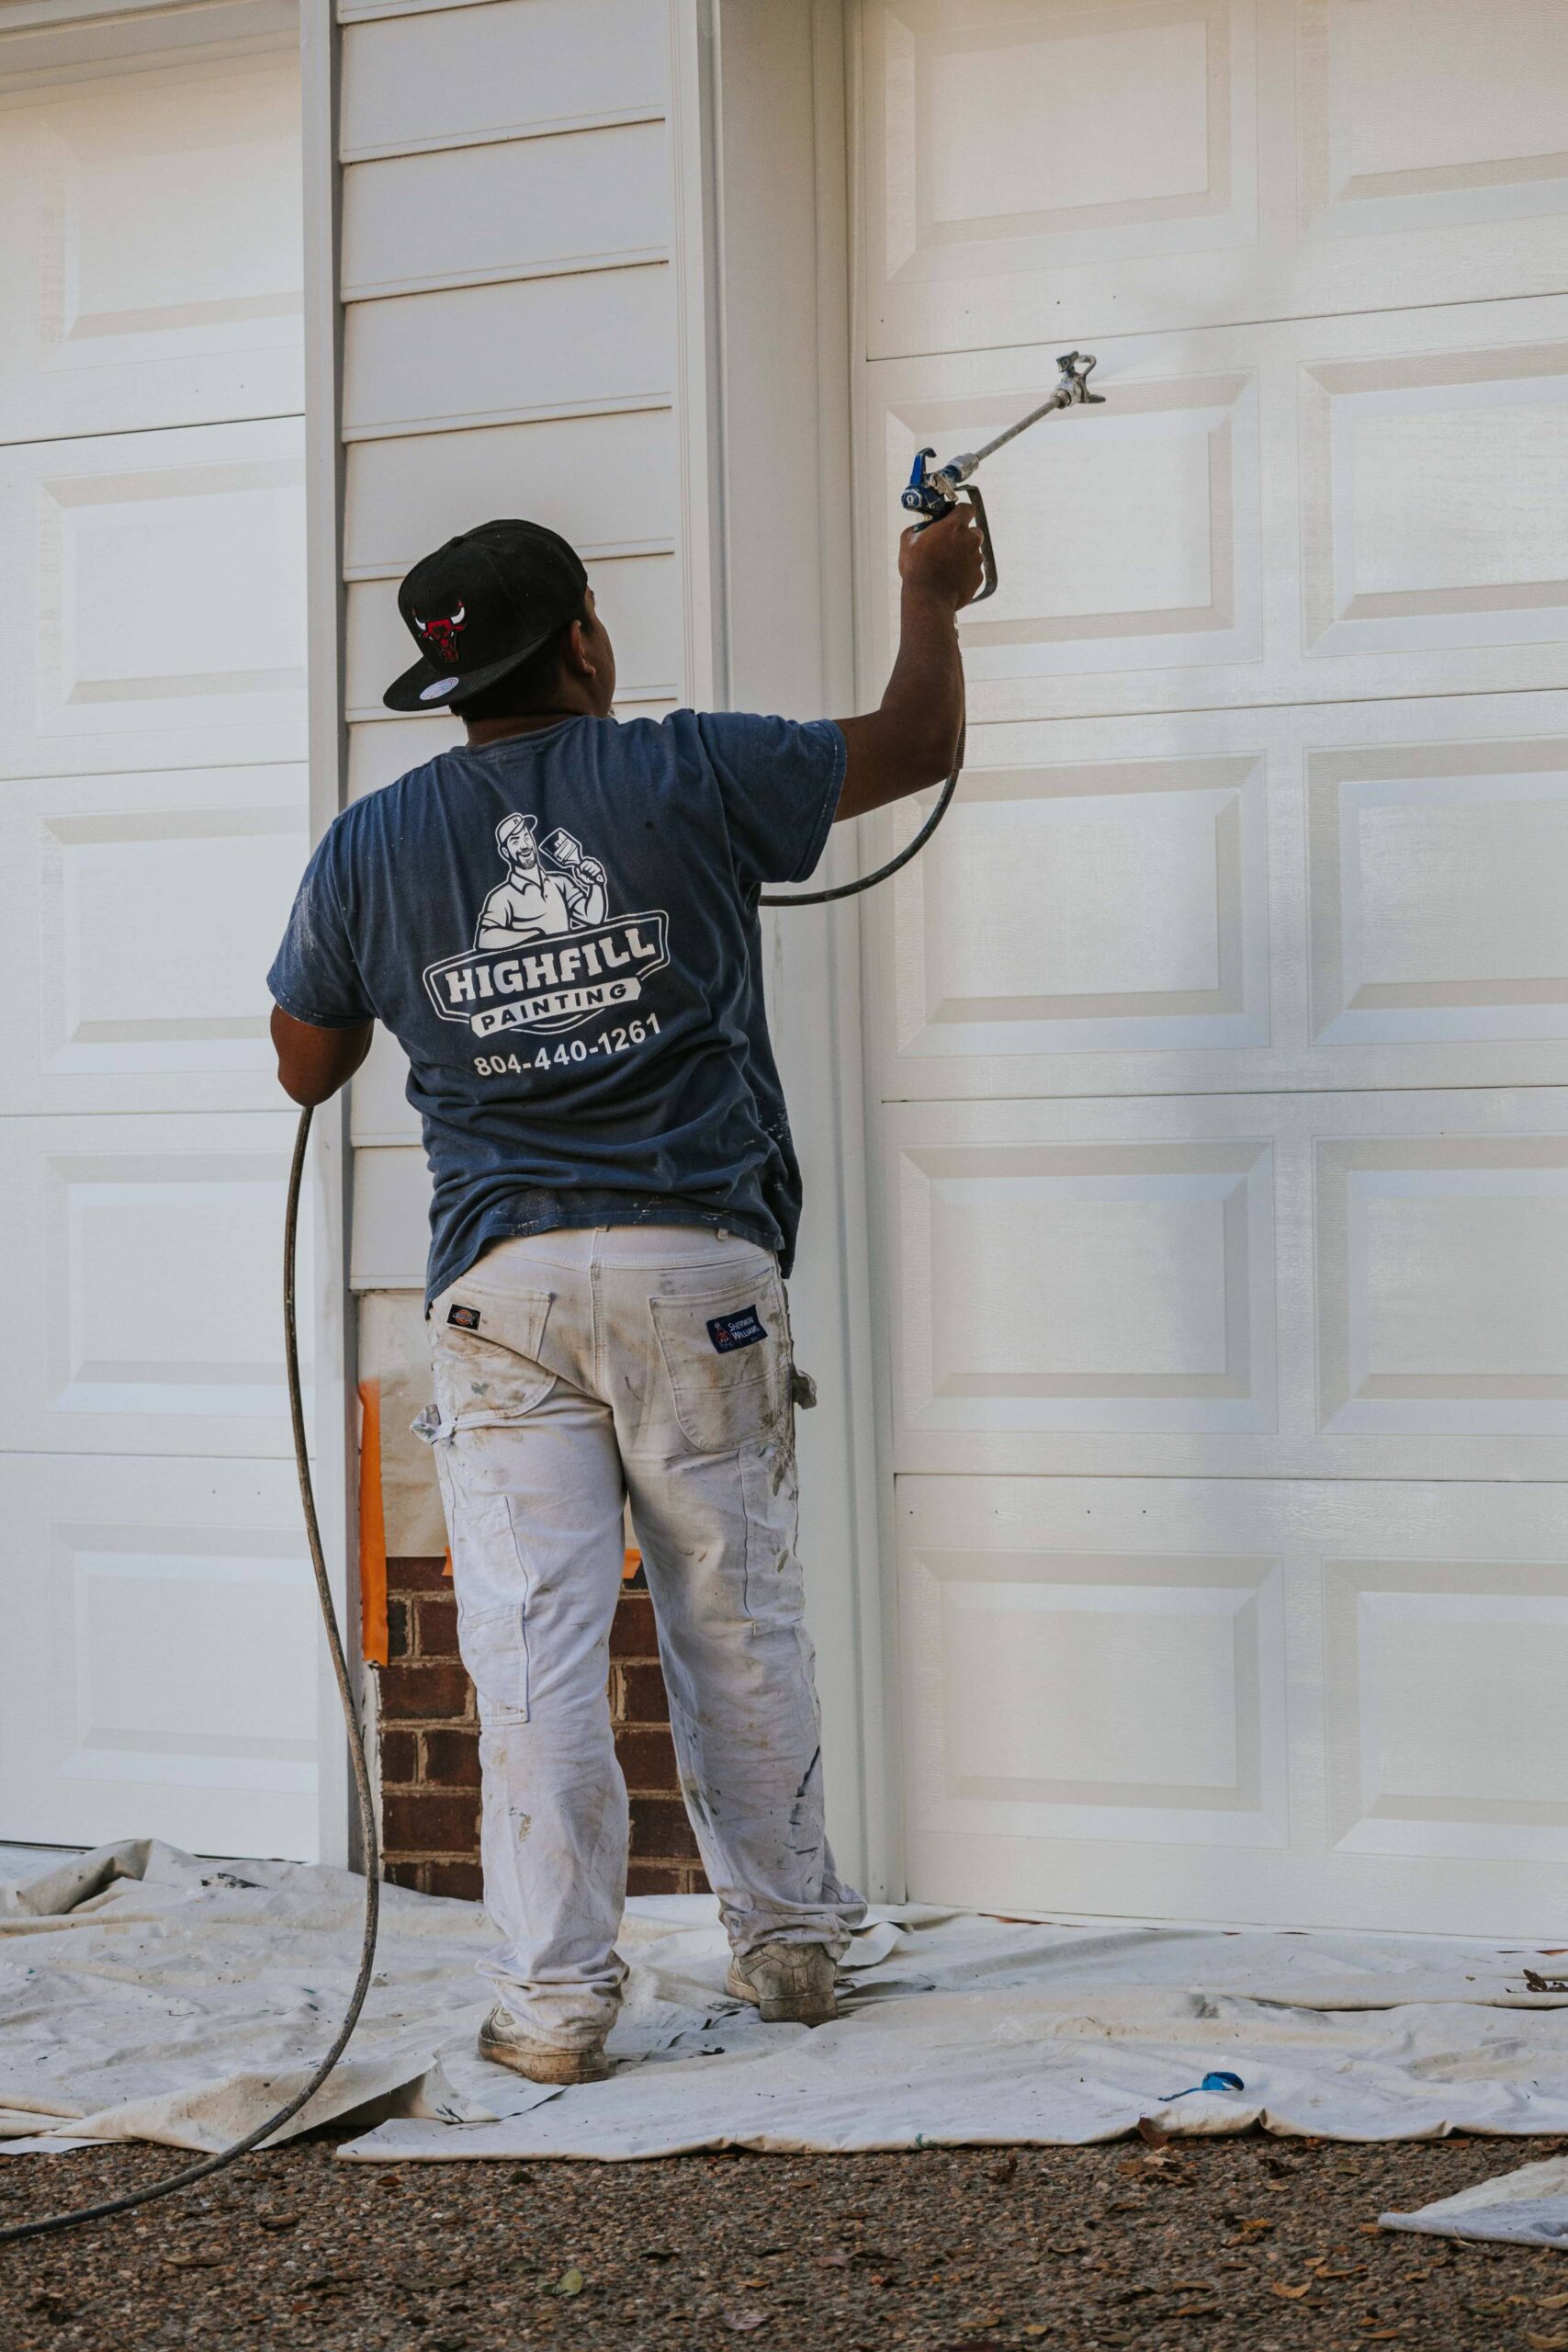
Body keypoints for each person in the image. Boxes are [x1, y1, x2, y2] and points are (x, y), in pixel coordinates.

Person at [268, 508, 983, 2085]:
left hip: (499, 1293)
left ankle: (550, 2007)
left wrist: (439, 977)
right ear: (585, 639)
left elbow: (305, 1061)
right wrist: (929, 593)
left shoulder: (371, 843)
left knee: (529, 1654)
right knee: (736, 1617)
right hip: (693, 1273)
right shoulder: (690, 771)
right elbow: (918, 741)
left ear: (445, 682)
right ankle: (791, 1945)